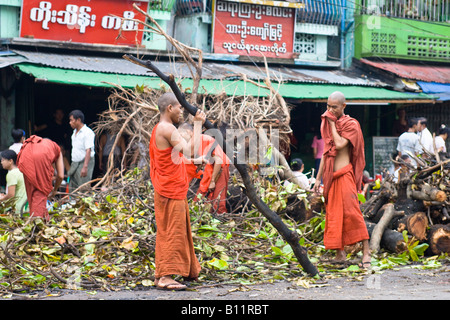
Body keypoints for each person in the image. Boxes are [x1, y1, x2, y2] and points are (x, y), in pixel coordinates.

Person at [149, 92, 206, 291]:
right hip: (170, 189)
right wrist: (198, 123)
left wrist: (193, 162)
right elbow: (189, 150)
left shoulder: (160, 128)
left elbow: (176, 158)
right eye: (179, 108)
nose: (182, 111)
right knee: (171, 231)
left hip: (169, 187)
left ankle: (172, 272)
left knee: (175, 230)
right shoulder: (166, 128)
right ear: (170, 108)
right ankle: (164, 276)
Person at [313, 91, 371, 268]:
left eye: (334, 107)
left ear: (343, 106)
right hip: (331, 177)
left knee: (352, 213)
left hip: (345, 174)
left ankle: (366, 252)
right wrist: (317, 179)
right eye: (328, 106)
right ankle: (340, 254)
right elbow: (326, 152)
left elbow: (339, 144)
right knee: (334, 215)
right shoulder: (329, 125)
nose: (330, 110)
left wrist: (331, 122)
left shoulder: (351, 124)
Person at [178, 122, 230, 214]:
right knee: (202, 195)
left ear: (188, 132)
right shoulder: (191, 145)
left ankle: (219, 217)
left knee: (218, 198)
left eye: (180, 135)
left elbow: (218, 160)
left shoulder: (203, 139)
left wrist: (213, 181)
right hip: (210, 169)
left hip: (220, 167)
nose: (180, 138)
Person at [16, 136, 64, 221]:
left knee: (32, 191)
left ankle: (42, 218)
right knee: (39, 192)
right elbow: (60, 176)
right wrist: (54, 190)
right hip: (39, 156)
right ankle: (37, 224)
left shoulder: (45, 146)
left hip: (25, 155)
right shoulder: (56, 149)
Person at [68, 110, 95, 192]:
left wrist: (85, 167)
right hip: (75, 163)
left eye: (71, 120)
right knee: (73, 187)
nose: (70, 122)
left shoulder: (88, 132)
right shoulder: (74, 132)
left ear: (78, 120)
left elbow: (88, 150)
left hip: (84, 163)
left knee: (83, 188)